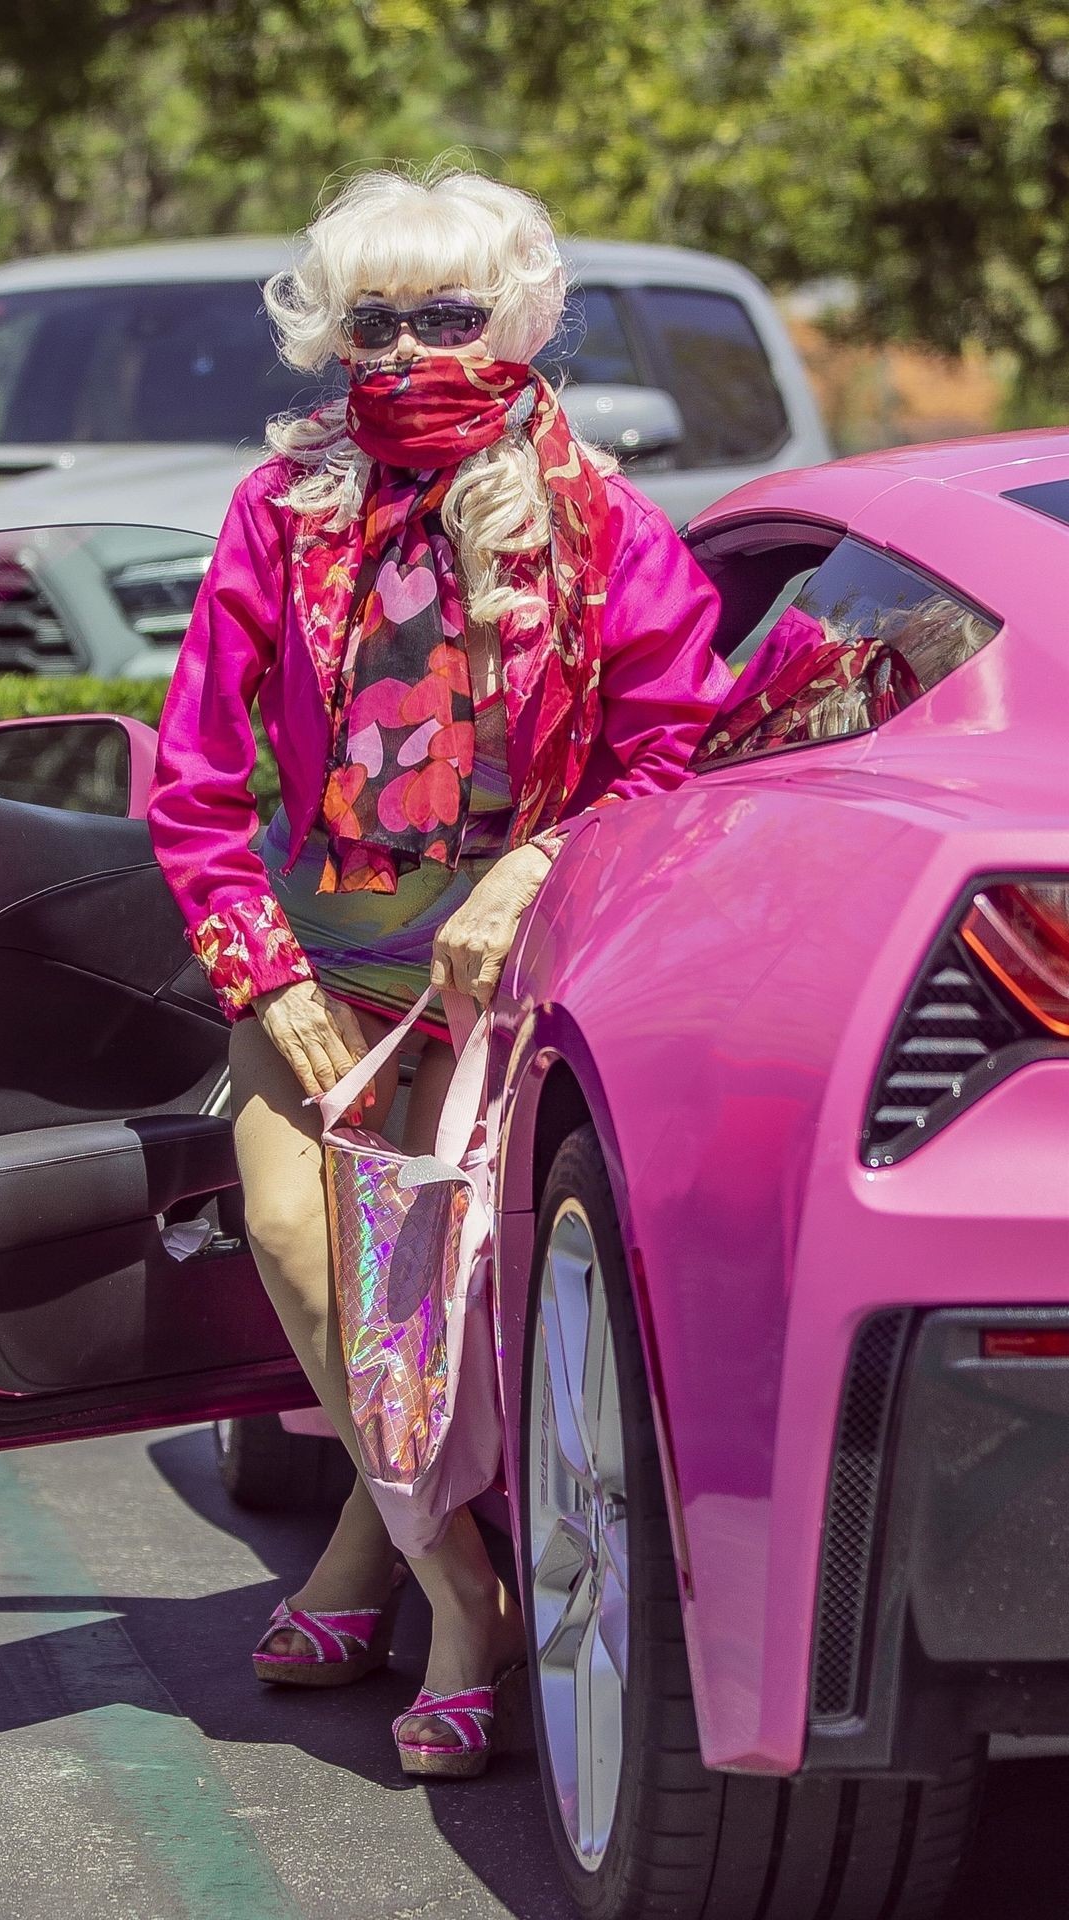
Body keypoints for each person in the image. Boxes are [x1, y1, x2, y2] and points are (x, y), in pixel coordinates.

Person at [147, 161, 732, 1777]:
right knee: (297, 1244)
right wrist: (266, 978)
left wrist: (536, 870)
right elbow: (193, 780)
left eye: (448, 316)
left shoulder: (601, 519)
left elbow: (677, 751)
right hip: (314, 962)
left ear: (519, 321)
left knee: (423, 1300)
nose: (406, 352)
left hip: (500, 976)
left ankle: (377, 1573)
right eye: (374, 322)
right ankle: (465, 1593)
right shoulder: (279, 512)